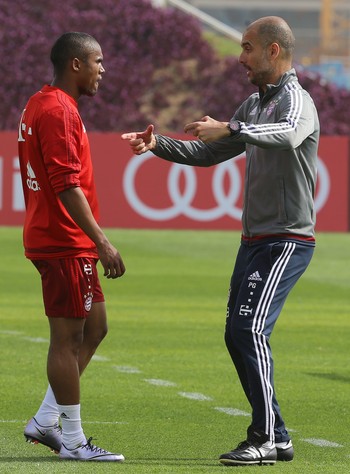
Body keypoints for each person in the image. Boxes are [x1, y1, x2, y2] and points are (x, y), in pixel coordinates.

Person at [122, 16, 319, 467]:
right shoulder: (254, 104)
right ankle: (278, 436)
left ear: (273, 51)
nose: (241, 57)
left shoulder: (297, 100)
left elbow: (288, 134)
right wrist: (158, 146)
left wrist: (230, 129)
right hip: (255, 240)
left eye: (248, 48)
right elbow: (211, 153)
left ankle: (265, 438)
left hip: (286, 239)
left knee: (248, 330)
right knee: (237, 334)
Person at [18, 32, 126, 462]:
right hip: (63, 239)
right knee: (67, 338)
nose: (103, 69)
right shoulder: (59, 110)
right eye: (98, 61)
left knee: (95, 327)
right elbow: (66, 184)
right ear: (75, 64)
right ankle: (75, 442)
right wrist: (101, 241)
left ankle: (45, 421)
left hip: (67, 239)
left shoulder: (42, 103)